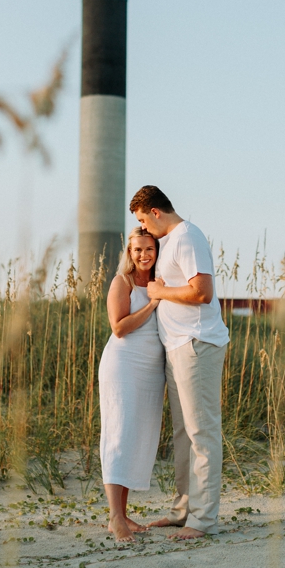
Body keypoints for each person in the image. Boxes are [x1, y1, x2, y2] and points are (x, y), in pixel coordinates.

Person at [130, 185, 229, 540]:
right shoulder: (169, 241)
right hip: (177, 348)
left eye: (143, 219)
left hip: (196, 345)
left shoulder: (187, 236)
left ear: (155, 212)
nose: (143, 227)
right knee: (183, 435)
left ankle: (203, 521)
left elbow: (202, 292)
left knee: (202, 433)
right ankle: (183, 511)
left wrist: (159, 292)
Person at [98, 227, 165, 542]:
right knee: (119, 435)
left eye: (148, 249)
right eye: (137, 250)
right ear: (129, 252)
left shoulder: (159, 282)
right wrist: (152, 304)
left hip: (150, 373)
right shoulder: (121, 282)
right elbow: (119, 327)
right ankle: (115, 518)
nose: (143, 255)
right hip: (123, 366)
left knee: (136, 437)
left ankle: (123, 515)